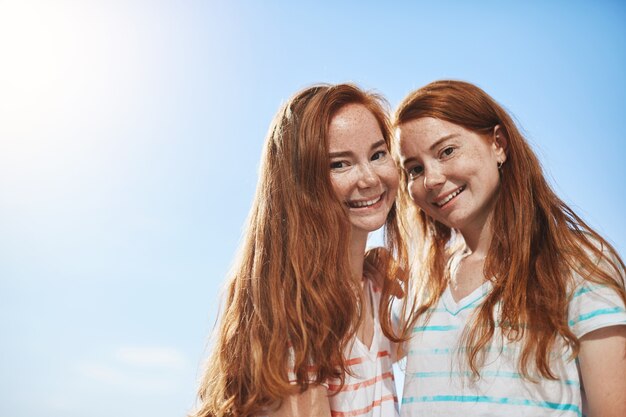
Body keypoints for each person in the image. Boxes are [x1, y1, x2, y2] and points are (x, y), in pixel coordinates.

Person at [391, 80, 626, 417]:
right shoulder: (420, 282)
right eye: (414, 169)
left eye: (447, 151)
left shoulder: (581, 264)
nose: (431, 179)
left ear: (498, 144)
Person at [190, 83, 403, 417]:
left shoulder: (375, 286)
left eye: (378, 154)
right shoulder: (294, 320)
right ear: (301, 184)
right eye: (339, 165)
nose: (369, 178)